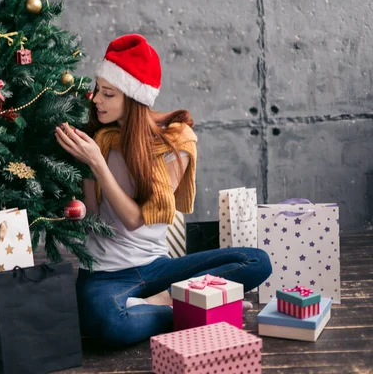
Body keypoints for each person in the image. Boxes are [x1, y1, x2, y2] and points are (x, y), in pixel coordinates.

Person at [55, 34, 272, 347]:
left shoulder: (174, 143)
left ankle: (167, 301)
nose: (96, 100)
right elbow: (91, 215)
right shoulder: (99, 140)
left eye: (108, 94)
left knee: (257, 262)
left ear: (132, 97)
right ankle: (189, 311)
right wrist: (87, 172)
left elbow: (134, 220)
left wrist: (98, 165)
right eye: (97, 91)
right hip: (105, 273)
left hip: (158, 268)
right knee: (107, 325)